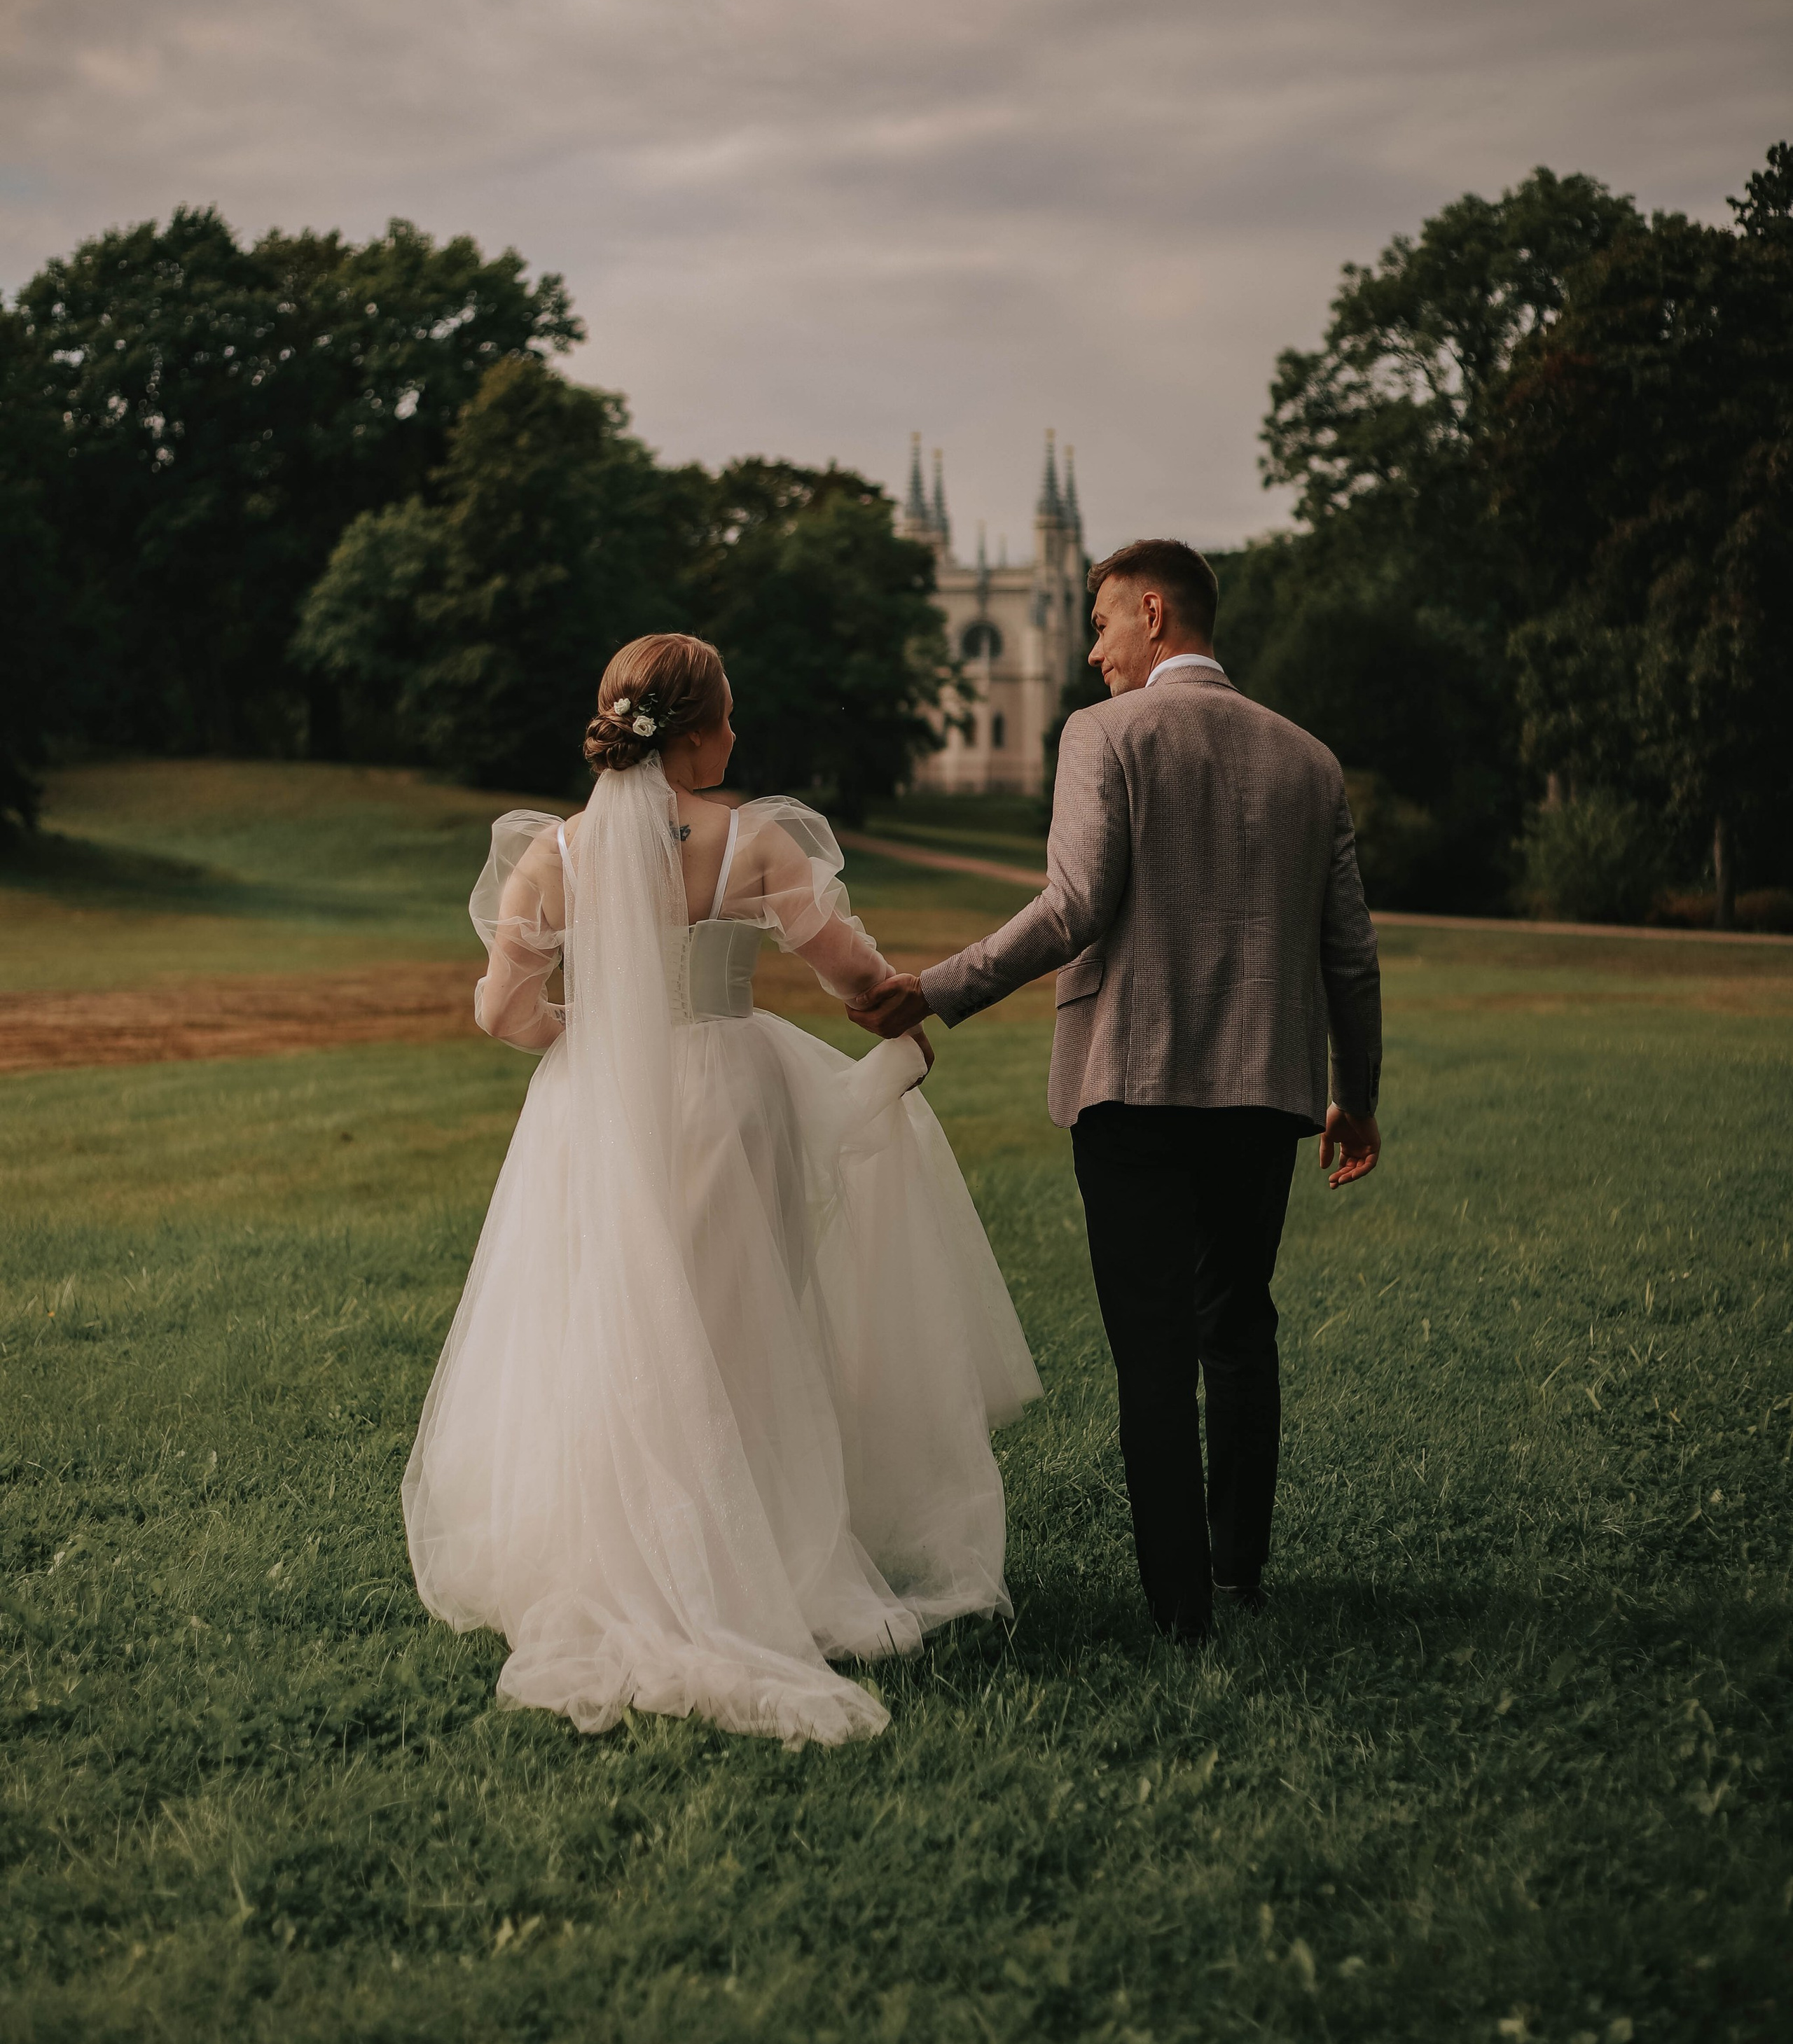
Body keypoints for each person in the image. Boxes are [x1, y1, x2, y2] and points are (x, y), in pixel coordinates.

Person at [403, 632, 1039, 1746]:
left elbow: (502, 1015)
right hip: (738, 1104)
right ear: (692, 735)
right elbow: (849, 975)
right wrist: (900, 1014)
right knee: (748, 1325)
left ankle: (625, 1551)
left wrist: (592, 1041)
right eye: (729, 717)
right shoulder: (755, 840)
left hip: (601, 1111)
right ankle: (770, 1553)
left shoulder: (550, 856)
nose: (738, 735)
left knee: (613, 1327)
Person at [850, 540, 1382, 1645]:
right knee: (1238, 1324)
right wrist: (1355, 1098)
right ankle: (1240, 1571)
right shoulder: (1311, 761)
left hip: (1129, 1087)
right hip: (1265, 1094)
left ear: (1154, 614)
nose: (1092, 650)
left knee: (1152, 1347)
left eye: (1101, 625)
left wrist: (937, 988)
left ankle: (1181, 1610)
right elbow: (1351, 957)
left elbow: (1075, 904)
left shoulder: (1104, 735)